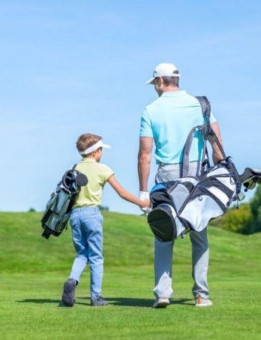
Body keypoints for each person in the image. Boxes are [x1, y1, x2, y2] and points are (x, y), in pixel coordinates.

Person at [138, 63, 224, 308]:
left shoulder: (151, 110)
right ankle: (201, 295)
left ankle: (163, 294)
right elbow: (217, 145)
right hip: (197, 175)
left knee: (164, 232)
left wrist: (144, 192)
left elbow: (145, 154)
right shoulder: (200, 105)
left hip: (167, 176)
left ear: (159, 82)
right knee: (199, 232)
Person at [62, 133, 150, 307]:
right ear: (95, 151)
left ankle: (72, 279)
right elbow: (122, 192)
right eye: (101, 149)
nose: (102, 152)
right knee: (96, 256)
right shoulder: (103, 169)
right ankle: (96, 297)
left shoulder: (74, 168)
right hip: (92, 215)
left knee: (82, 254)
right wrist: (143, 203)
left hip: (75, 215)